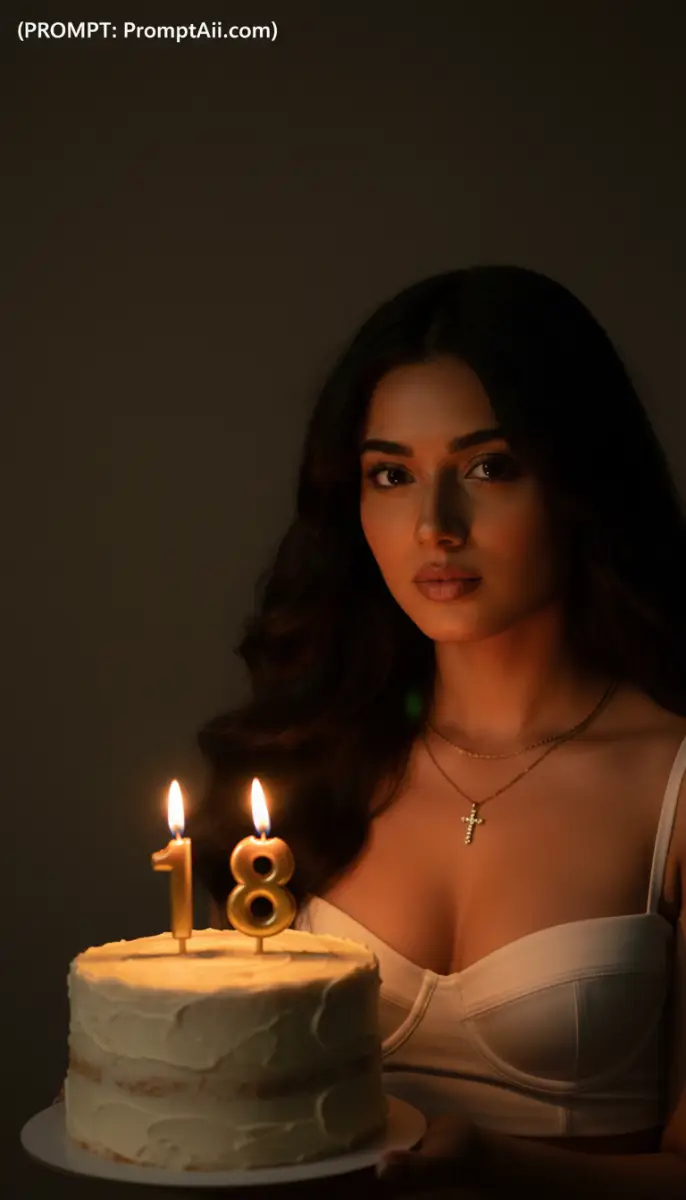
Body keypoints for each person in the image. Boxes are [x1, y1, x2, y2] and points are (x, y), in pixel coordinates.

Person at [189, 266, 686, 1196]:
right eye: (392, 475)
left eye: (488, 468)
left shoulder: (672, 782)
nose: (434, 526)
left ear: (582, 481)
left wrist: (499, 1170)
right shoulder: (304, 761)